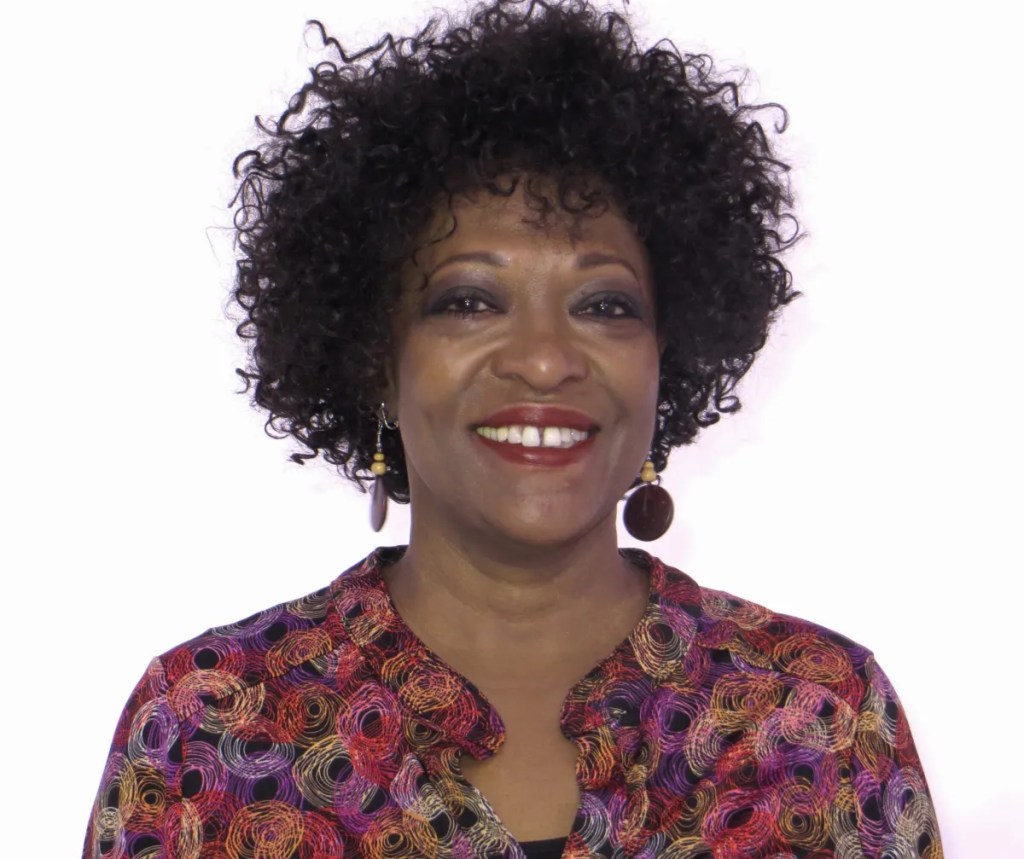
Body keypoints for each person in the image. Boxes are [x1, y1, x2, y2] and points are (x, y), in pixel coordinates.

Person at [82, 1, 943, 856]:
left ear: (664, 360)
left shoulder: (818, 716)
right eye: (469, 301)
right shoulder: (206, 726)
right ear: (376, 359)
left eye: (605, 305)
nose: (544, 359)